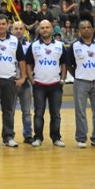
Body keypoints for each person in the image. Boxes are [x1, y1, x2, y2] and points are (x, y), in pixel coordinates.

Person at [0, 14, 27, 149]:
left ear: (8, 25)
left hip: (9, 80)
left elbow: (21, 60)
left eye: (3, 24)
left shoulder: (14, 40)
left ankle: (8, 137)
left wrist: (23, 77)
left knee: (8, 110)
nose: (1, 26)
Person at [26, 19, 67, 148]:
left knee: (56, 114)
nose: (44, 30)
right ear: (39, 30)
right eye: (42, 28)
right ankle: (38, 137)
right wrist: (32, 80)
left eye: (47, 27)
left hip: (56, 85)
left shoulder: (60, 45)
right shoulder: (33, 46)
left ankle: (56, 138)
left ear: (51, 29)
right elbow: (28, 64)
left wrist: (62, 79)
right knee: (39, 114)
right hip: (39, 85)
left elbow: (64, 64)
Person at [66, 19, 95, 148]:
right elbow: (69, 64)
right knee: (80, 112)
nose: (86, 29)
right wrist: (78, 75)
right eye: (83, 28)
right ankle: (81, 138)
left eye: (89, 27)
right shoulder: (74, 46)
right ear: (79, 31)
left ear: (92, 29)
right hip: (80, 82)